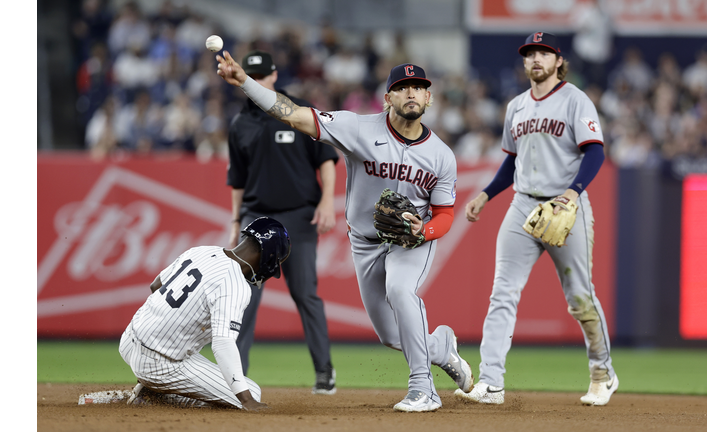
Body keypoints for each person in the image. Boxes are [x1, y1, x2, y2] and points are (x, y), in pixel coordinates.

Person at [216, 51, 474, 413]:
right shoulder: (357, 127)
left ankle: (423, 388)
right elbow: (291, 113)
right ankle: (441, 348)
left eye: (419, 87)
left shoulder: (441, 155)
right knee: (390, 336)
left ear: (429, 97)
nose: (412, 93)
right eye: (403, 88)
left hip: (410, 240)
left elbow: (446, 213)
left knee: (401, 291)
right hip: (365, 242)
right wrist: (245, 81)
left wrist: (425, 230)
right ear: (388, 98)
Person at [456, 32, 618, 406]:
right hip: (523, 204)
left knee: (580, 298)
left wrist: (574, 191)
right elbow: (512, 160)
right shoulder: (516, 106)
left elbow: (594, 152)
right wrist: (485, 193)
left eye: (544, 53)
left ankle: (602, 372)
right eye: (530, 54)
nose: (536, 59)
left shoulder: (576, 100)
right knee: (502, 293)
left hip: (566, 206)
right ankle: (492, 382)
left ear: (558, 61)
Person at [226, 50, 339, 395]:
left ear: (274, 77)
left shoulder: (298, 111)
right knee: (244, 297)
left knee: (305, 293)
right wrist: (235, 222)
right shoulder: (240, 124)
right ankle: (236, 377)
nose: (258, 83)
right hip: (256, 218)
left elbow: (327, 158)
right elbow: (238, 180)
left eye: (263, 77)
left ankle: (324, 372)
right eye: (252, 77)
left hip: (298, 217)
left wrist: (328, 200)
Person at [119, 217, 291, 411]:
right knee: (251, 391)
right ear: (268, 256)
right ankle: (153, 395)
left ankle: (152, 385)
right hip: (159, 365)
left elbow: (155, 286)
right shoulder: (235, 285)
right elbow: (223, 343)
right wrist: (246, 400)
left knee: (191, 343)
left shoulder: (202, 251)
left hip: (128, 340)